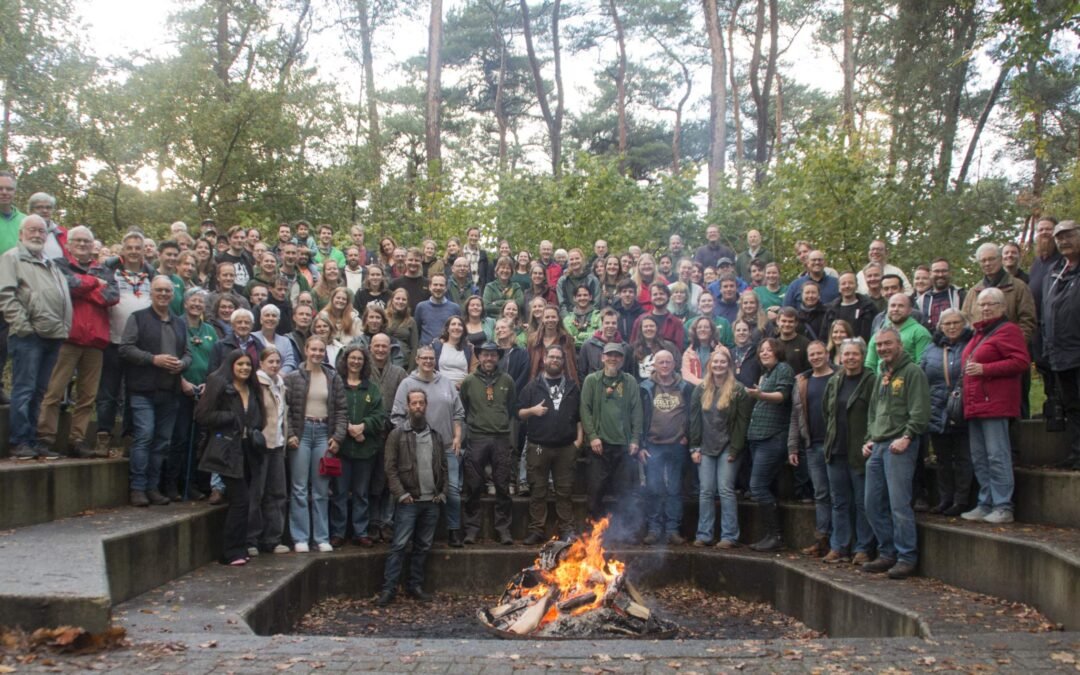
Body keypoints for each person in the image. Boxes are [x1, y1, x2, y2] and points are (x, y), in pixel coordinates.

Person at [38, 225, 118, 458]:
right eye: (78, 241)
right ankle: (44, 437)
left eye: (87, 241)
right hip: (67, 337)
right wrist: (93, 284)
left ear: (93, 245)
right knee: (53, 390)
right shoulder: (59, 265)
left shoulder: (103, 269)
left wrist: (82, 286)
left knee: (87, 396)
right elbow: (65, 286)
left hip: (96, 341)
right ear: (69, 244)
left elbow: (111, 297)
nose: (83, 245)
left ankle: (78, 440)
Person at [0, 215, 73, 459]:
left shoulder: (49, 262)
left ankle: (32, 440)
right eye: (32, 230)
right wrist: (22, 326)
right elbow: (6, 295)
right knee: (24, 389)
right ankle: (19, 441)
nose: (37, 235)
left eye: (41, 231)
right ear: (21, 233)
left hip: (53, 335)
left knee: (40, 391)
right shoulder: (12, 258)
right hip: (28, 335)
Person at [860, 327, 930, 579]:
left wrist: (908, 436)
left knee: (899, 504)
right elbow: (873, 411)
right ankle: (886, 551)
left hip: (899, 445)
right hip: (877, 445)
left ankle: (906, 557)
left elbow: (921, 410)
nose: (882, 349)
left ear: (899, 344)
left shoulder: (913, 372)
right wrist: (869, 438)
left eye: (887, 344)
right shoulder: (881, 374)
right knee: (871, 503)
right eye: (878, 345)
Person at [959, 287, 1029, 524]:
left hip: (995, 404)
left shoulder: (1008, 330)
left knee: (997, 456)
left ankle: (1003, 505)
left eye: (991, 304)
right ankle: (985, 502)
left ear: (1002, 307)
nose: (985, 308)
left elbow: (1021, 361)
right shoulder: (978, 334)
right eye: (982, 304)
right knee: (979, 457)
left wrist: (986, 369)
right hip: (974, 405)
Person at [119, 276, 191, 505]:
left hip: (170, 391)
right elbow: (126, 348)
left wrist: (183, 364)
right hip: (143, 389)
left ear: (172, 295)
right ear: (151, 292)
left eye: (167, 291)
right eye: (159, 290)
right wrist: (153, 359)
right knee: (145, 436)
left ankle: (152, 487)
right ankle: (137, 488)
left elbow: (188, 352)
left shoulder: (180, 323)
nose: (163, 294)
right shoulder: (138, 318)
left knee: (162, 441)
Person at [376, 390, 447, 607]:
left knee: (423, 546)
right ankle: (388, 589)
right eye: (414, 403)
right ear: (408, 406)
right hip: (409, 502)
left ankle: (415, 585)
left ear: (426, 406)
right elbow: (390, 468)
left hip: (431, 502)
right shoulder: (397, 434)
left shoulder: (435, 435)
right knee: (399, 545)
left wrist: (442, 493)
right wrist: (401, 494)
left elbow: (443, 467)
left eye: (421, 403)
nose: (418, 406)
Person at [391, 344, 466, 546]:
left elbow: (459, 412)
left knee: (452, 491)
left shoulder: (447, 383)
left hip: (447, 446)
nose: (428, 361)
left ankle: (454, 530)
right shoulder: (407, 383)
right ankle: (411, 535)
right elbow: (397, 416)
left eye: (431, 358)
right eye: (424, 358)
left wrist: (458, 436)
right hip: (416, 448)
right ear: (417, 359)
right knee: (417, 491)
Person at [196, 349, 264, 566]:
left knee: (245, 501)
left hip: (247, 450)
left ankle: (239, 547)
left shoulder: (252, 388)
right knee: (240, 500)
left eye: (248, 365)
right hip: (226, 450)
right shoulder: (219, 384)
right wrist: (230, 418)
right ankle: (230, 551)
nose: (244, 368)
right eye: (240, 364)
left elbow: (259, 416)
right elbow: (202, 415)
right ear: (231, 365)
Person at [285, 335, 348, 552]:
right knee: (299, 487)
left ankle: (321, 537)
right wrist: (290, 434)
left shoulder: (333, 377)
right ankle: (300, 537)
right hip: (301, 432)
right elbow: (286, 409)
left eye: (321, 350)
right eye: (313, 349)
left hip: (323, 432)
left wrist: (338, 437)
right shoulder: (293, 377)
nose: (317, 353)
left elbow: (341, 410)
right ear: (306, 350)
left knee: (321, 488)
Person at [517, 344, 583, 544]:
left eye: (558, 358)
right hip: (538, 445)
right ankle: (537, 529)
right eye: (551, 357)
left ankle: (567, 529)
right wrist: (532, 411)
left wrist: (579, 441)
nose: (554, 360)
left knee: (564, 490)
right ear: (544, 360)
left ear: (563, 362)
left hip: (565, 447)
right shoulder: (532, 386)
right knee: (538, 490)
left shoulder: (572, 387)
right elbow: (518, 413)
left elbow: (580, 416)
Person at [580, 342, 645, 542]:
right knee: (595, 493)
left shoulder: (630, 381)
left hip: (624, 447)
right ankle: (594, 536)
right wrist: (592, 436)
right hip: (599, 447)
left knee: (624, 494)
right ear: (602, 358)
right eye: (609, 355)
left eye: (617, 355)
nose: (613, 359)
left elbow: (637, 411)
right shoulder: (592, 380)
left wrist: (635, 439)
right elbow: (585, 409)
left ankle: (622, 534)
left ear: (622, 359)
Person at [689, 346, 752, 548]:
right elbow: (694, 420)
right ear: (709, 365)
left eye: (722, 362)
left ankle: (729, 536)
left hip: (728, 446)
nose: (718, 365)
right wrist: (694, 448)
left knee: (725, 489)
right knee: (706, 491)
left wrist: (735, 449)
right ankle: (704, 534)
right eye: (715, 362)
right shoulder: (700, 389)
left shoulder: (738, 390)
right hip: (705, 446)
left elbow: (742, 423)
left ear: (729, 365)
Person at [97, 231, 154, 451]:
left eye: (137, 248)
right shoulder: (109, 271)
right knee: (108, 391)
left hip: (139, 346)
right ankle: (103, 434)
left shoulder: (151, 274)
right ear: (123, 250)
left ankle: (129, 436)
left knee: (134, 392)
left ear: (143, 251)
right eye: (129, 247)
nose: (133, 251)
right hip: (112, 340)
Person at [822, 338, 876, 564]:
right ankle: (839, 546)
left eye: (855, 354)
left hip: (860, 450)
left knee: (863, 502)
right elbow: (827, 410)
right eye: (846, 354)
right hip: (836, 449)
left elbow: (876, 412)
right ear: (840, 357)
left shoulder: (872, 380)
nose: (850, 358)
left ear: (863, 356)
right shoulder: (835, 380)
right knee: (839, 501)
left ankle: (863, 548)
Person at [328, 343, 386, 547]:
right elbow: (332, 412)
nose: (355, 362)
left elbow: (380, 416)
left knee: (362, 493)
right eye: (352, 358)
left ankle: (360, 531)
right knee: (340, 493)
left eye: (359, 359)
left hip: (365, 449)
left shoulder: (371, 388)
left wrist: (364, 426)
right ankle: (338, 531)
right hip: (341, 449)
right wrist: (348, 429)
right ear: (345, 361)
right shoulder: (336, 385)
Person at [460, 342, 517, 545]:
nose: (489, 359)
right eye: (485, 355)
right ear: (479, 357)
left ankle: (503, 530)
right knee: (473, 485)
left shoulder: (507, 380)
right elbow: (464, 407)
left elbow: (511, 407)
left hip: (501, 438)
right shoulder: (469, 381)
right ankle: (472, 529)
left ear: (498, 357)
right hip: (477, 437)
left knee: (502, 486)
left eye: (493, 355)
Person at [921, 309, 973, 516]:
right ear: (940, 326)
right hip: (936, 409)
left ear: (964, 324)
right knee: (942, 459)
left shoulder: (971, 345)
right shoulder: (931, 349)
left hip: (961, 409)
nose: (951, 327)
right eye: (947, 324)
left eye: (956, 323)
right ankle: (945, 498)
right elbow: (921, 374)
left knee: (963, 457)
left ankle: (962, 499)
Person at [743, 338, 795, 551]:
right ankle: (770, 536)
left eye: (769, 350)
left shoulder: (784, 369)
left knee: (757, 486)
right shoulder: (765, 374)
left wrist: (760, 394)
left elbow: (782, 396)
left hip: (773, 436)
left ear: (778, 352)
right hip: (758, 437)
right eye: (761, 350)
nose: (764, 353)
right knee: (762, 486)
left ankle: (775, 536)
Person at [640, 350, 694, 546]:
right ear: (654, 365)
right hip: (653, 445)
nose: (664, 365)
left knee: (674, 489)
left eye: (668, 362)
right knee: (653, 488)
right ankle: (654, 529)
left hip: (677, 445)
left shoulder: (685, 387)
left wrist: (687, 435)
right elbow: (639, 417)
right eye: (660, 362)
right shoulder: (645, 387)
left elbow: (691, 414)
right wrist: (640, 444)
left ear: (674, 364)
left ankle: (672, 530)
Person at [787, 341, 835, 557]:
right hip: (813, 444)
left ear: (827, 354)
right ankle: (823, 538)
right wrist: (793, 446)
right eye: (812, 354)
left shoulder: (838, 376)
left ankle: (841, 541)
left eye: (819, 353)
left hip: (836, 444)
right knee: (821, 493)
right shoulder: (803, 381)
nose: (816, 357)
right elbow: (796, 416)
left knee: (840, 494)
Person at [1043, 220, 1080, 470]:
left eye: (1069, 236)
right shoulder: (1055, 272)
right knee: (1072, 407)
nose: (1063, 241)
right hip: (1060, 354)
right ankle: (1077, 453)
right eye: (1059, 238)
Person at [825, 272, 876, 342]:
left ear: (857, 286)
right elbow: (824, 335)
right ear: (839, 287)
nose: (847, 286)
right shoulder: (831, 310)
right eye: (843, 284)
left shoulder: (868, 307)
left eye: (850, 283)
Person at [415, 273, 461, 347]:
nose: (438, 288)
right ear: (430, 287)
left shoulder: (455, 308)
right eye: (435, 285)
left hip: (448, 350)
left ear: (446, 288)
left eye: (441, 285)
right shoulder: (421, 307)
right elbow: (416, 332)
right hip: (426, 353)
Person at [631, 315, 680, 381]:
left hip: (663, 386)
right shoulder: (632, 348)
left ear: (657, 328)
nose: (649, 328)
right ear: (641, 329)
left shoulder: (668, 347)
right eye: (645, 326)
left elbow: (677, 367)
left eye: (652, 326)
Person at [433, 315, 474, 387]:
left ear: (463, 330)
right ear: (447, 329)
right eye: (453, 324)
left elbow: (473, 371)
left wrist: (462, 384)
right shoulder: (437, 346)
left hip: (463, 388)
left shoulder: (469, 348)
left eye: (460, 325)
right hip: (441, 386)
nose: (456, 327)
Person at [556, 249, 599, 315]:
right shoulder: (562, 281)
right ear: (568, 262)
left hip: (590, 319)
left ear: (582, 259)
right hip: (569, 319)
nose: (574, 261)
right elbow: (562, 304)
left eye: (577, 258)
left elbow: (596, 302)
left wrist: (590, 320)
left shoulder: (593, 280)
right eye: (572, 259)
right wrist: (568, 320)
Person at [385, 288, 419, 368]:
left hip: (403, 363)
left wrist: (410, 370)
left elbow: (414, 347)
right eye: (397, 298)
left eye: (404, 299)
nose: (400, 302)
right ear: (392, 300)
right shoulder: (383, 317)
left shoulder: (411, 321)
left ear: (407, 302)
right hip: (385, 360)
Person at [682, 315, 720, 386]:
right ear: (695, 331)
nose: (702, 329)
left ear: (711, 331)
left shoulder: (721, 350)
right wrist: (702, 384)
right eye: (699, 327)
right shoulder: (689, 352)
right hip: (695, 389)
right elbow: (686, 374)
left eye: (706, 327)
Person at [390, 248, 431, 312]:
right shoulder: (395, 283)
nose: (413, 263)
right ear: (405, 260)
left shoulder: (428, 283)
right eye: (410, 260)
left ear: (421, 261)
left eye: (417, 260)